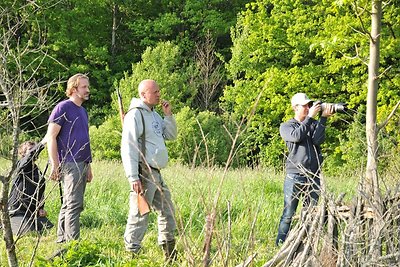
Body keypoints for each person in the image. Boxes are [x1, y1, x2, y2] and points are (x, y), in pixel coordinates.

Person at [121, 79, 178, 261]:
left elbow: (171, 135)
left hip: (156, 172)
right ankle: (131, 253)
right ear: (143, 95)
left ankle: (169, 253)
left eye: (158, 91)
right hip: (144, 172)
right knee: (140, 214)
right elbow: (128, 146)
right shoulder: (135, 114)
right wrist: (133, 176)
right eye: (155, 92)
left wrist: (168, 115)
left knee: (167, 211)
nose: (159, 94)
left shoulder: (154, 115)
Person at [275, 93, 333, 246]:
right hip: (295, 176)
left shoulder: (312, 124)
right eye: (305, 105)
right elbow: (296, 136)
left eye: (309, 105)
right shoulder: (286, 126)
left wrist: (323, 118)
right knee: (288, 214)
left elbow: (318, 140)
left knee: (310, 214)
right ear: (295, 107)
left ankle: (305, 245)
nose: (308, 108)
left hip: (313, 176)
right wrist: (310, 118)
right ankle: (280, 245)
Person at [46, 73, 93, 243]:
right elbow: (51, 137)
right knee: (73, 204)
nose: (88, 90)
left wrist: (88, 165)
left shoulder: (83, 111)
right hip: (69, 162)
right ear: (74, 89)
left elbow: (84, 140)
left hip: (82, 162)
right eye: (84, 87)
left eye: (87, 87)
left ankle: (62, 240)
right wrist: (55, 165)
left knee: (71, 204)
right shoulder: (63, 107)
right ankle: (73, 245)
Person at [8, 139, 53, 235]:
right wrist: (42, 143)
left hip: (33, 213)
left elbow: (40, 191)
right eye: (30, 149)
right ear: (23, 153)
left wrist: (41, 208)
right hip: (17, 212)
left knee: (50, 231)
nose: (34, 150)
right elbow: (26, 161)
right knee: (29, 234)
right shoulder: (19, 166)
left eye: (34, 148)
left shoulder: (37, 171)